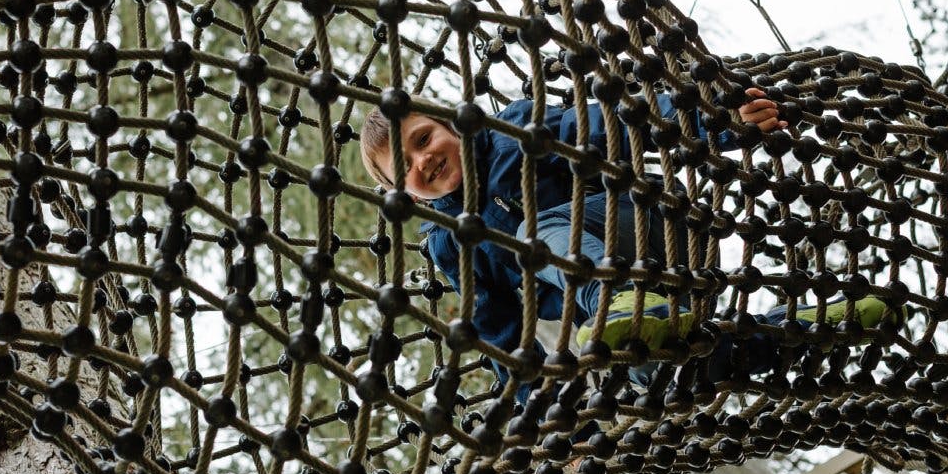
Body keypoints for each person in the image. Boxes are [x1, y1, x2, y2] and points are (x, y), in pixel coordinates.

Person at [358, 87, 893, 393]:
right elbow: (497, 331)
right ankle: (804, 329)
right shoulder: (452, 246)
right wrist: (533, 417)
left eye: (423, 138)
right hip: (651, 302)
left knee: (530, 236)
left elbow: (616, 123)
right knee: (649, 374)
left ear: (452, 125)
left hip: (657, 226)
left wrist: (721, 123)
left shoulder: (515, 136)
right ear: (402, 192)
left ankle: (621, 300)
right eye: (405, 165)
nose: (424, 159)